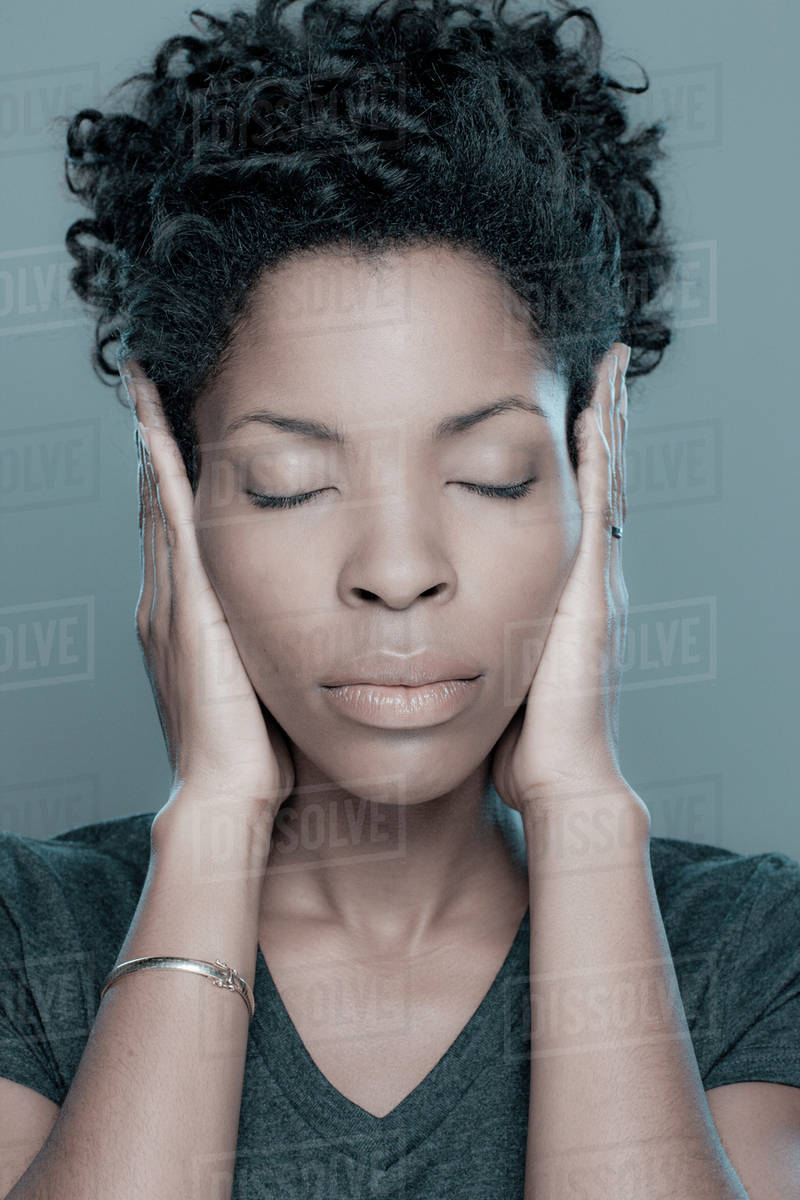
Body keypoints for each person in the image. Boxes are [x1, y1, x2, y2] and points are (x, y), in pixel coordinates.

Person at [1, 1, 799, 1197]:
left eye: (489, 475)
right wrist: (213, 817)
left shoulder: (741, 944)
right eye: (287, 484)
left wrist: (584, 808)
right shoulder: (32, 934)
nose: (396, 568)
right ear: (173, 503)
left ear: (597, 472)